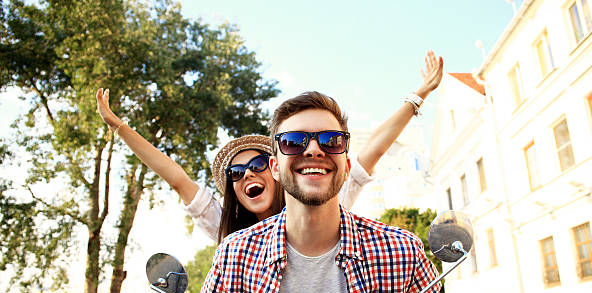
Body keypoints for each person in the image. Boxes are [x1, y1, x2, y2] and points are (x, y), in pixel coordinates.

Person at [157, 89, 470, 293]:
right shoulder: (234, 252)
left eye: (331, 140)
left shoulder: (399, 247)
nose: (313, 149)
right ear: (276, 167)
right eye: (293, 141)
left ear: (346, 164)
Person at [95, 50, 445, 244]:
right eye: (236, 171)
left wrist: (418, 96)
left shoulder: (319, 199)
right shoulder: (229, 233)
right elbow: (176, 178)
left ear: (278, 168)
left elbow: (371, 153)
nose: (248, 173)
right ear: (234, 188)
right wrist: (121, 128)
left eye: (258, 163)